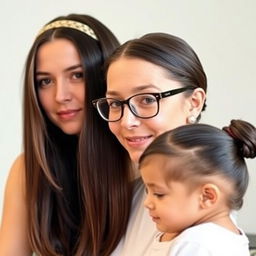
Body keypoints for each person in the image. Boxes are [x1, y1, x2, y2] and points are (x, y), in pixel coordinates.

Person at [0, 14, 132, 256]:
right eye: (45, 81)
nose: (61, 95)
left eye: (77, 75)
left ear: (105, 77)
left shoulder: (138, 159)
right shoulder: (29, 170)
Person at [93, 32, 207, 255]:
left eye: (147, 99)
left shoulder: (205, 217)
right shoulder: (131, 196)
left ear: (194, 103)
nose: (127, 121)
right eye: (115, 103)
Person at [139, 119, 254, 255]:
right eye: (148, 190)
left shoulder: (196, 244)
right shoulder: (227, 234)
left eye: (158, 193)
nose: (147, 203)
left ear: (207, 196)